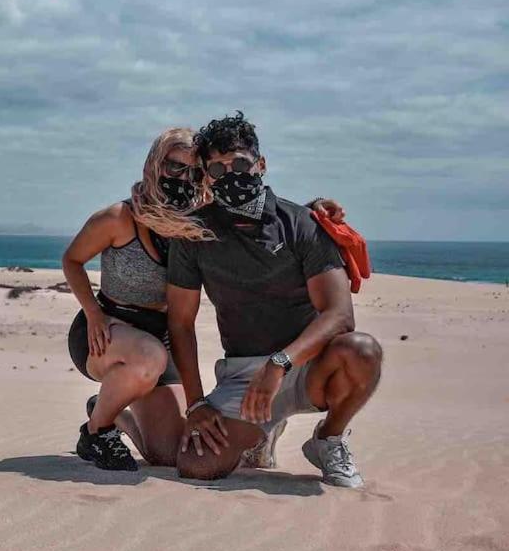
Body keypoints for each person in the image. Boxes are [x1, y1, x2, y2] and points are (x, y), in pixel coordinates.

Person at [63, 127, 345, 471]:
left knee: (171, 452)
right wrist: (92, 312)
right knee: (147, 357)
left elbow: (258, 220)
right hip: (107, 330)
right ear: (155, 165)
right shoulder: (119, 218)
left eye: (194, 172)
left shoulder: (198, 223)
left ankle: (112, 412)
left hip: (158, 340)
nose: (183, 178)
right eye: (174, 167)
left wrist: (312, 210)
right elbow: (72, 260)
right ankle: (98, 431)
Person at [167, 112, 382, 487]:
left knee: (362, 350)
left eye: (239, 163)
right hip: (242, 376)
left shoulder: (302, 223)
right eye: (216, 170)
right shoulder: (194, 234)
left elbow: (339, 314)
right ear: (206, 178)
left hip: (306, 365)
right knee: (196, 466)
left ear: (260, 164)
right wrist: (197, 403)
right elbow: (181, 323)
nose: (230, 174)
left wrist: (279, 363)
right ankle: (262, 434)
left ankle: (328, 439)